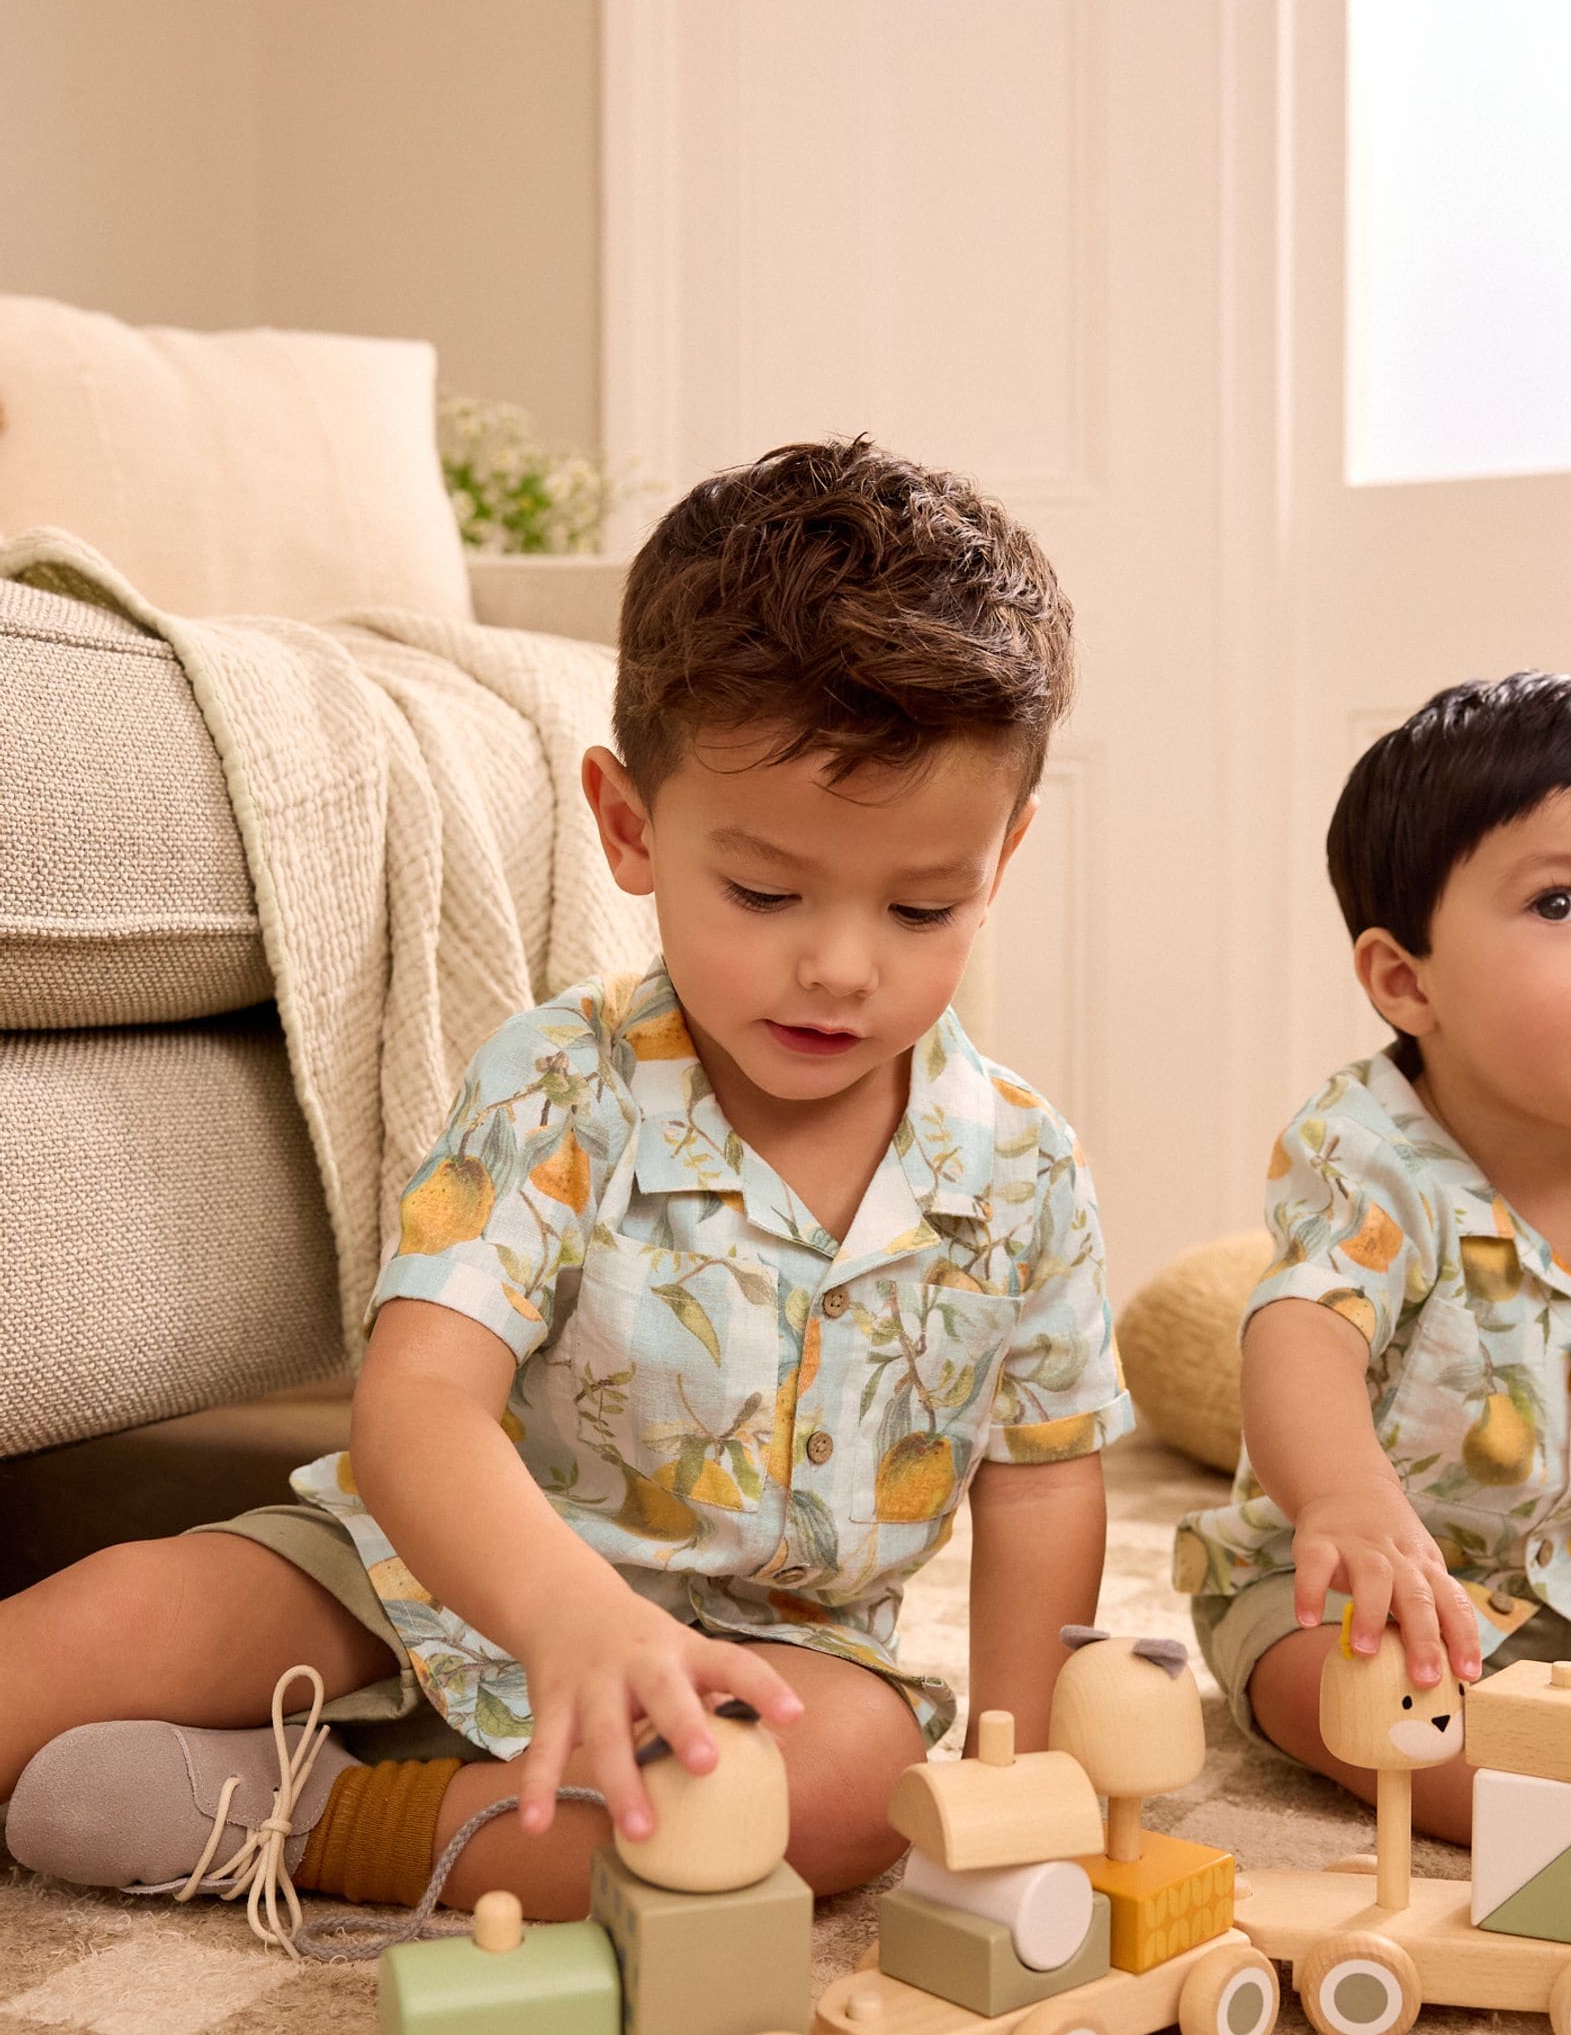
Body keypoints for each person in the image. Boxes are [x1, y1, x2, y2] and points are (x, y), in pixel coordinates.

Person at [4, 438, 1131, 1925]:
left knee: (846, 1792)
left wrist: (1016, 1768)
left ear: (1002, 859)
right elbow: (417, 1411)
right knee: (109, 1618)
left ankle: (321, 1814)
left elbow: (1044, 1482)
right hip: (422, 1578)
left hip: (752, 1668)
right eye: (767, 892)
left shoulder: (1024, 1170)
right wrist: (562, 1616)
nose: (841, 966)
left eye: (923, 906)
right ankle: (248, 1721)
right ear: (628, 828)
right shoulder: (560, 1085)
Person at [1176, 673, 1571, 1907]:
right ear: (1406, 983)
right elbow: (1302, 1331)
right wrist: (1346, 1506)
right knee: (1341, 1683)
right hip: (1387, 1595)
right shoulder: (1371, 1157)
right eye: (1562, 904)